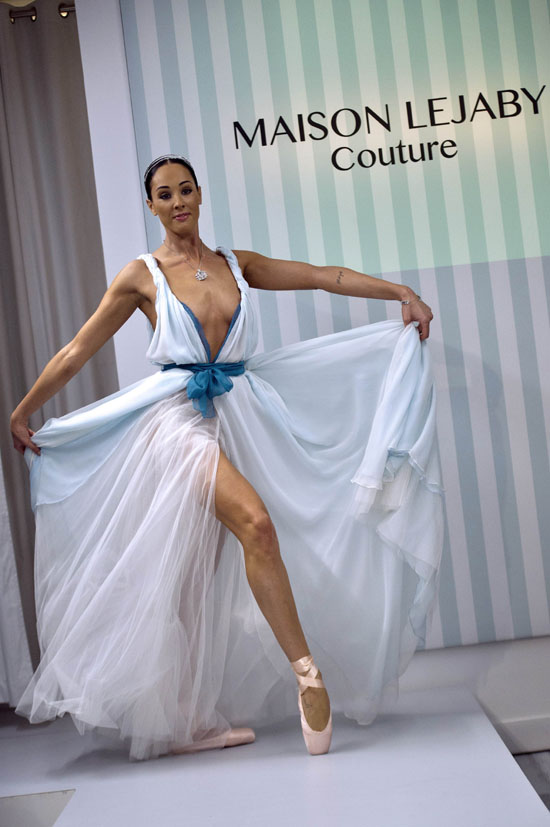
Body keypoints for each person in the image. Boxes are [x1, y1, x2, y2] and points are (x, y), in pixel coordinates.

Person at [10, 153, 443, 761]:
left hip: (239, 417)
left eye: (186, 189)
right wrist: (23, 409)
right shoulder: (142, 275)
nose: (178, 201)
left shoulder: (236, 264)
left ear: (199, 195)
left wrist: (401, 292)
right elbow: (78, 349)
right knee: (257, 525)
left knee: (192, 577)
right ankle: (308, 677)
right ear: (151, 205)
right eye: (165, 194)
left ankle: (183, 720)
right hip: (177, 422)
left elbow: (324, 276)